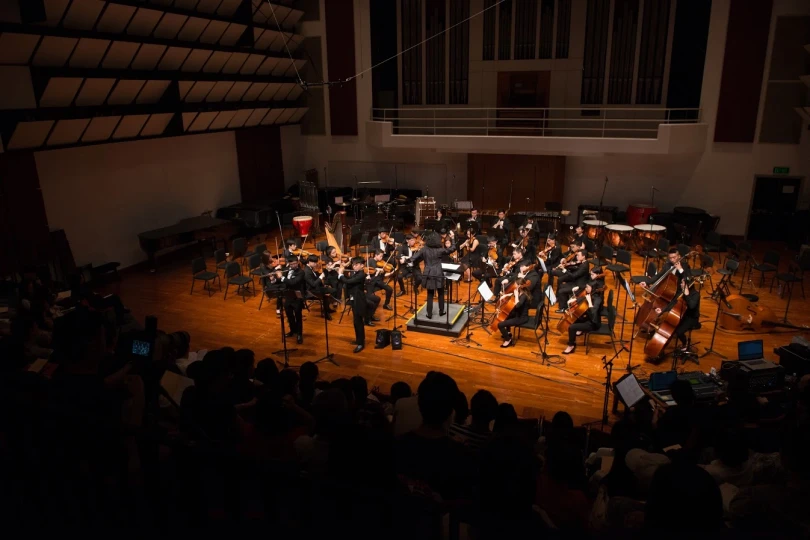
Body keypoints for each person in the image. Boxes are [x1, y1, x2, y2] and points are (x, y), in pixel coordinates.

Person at [411, 232, 454, 318]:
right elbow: (452, 249)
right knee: (441, 293)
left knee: (430, 294)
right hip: (438, 272)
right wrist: (453, 238)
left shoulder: (424, 249)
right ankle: (441, 311)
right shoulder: (440, 250)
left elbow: (414, 257)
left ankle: (429, 314)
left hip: (428, 273)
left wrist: (405, 260)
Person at [562, 270, 605, 354]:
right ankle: (574, 336)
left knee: (572, 327)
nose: (586, 289)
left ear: (592, 288)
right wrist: (574, 299)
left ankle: (571, 346)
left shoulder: (597, 299)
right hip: (587, 317)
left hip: (593, 323)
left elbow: (593, 314)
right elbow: (583, 298)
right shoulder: (591, 294)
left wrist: (589, 303)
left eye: (587, 287)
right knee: (573, 319)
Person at [654, 276, 700, 353]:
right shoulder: (681, 292)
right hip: (682, 315)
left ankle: (685, 343)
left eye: (682, 283)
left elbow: (692, 306)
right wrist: (662, 310)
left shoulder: (696, 295)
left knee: (679, 332)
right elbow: (673, 303)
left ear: (687, 286)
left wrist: (687, 295)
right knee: (672, 327)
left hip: (692, 318)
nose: (680, 284)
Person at [271, 255, 305, 344]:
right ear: (289, 264)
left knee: (298, 317)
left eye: (295, 264)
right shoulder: (287, 269)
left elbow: (293, 282)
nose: (294, 266)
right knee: (289, 316)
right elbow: (280, 281)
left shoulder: (301, 272)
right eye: (292, 264)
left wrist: (281, 277)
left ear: (297, 262)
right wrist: (274, 279)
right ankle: (292, 330)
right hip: (288, 296)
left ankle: (299, 334)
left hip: (297, 298)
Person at [339, 257, 368, 353]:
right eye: (353, 265)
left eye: (356, 265)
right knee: (356, 322)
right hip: (354, 299)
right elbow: (349, 280)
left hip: (359, 300)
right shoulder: (355, 273)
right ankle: (358, 340)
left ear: (362, 265)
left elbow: (348, 281)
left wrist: (340, 274)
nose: (354, 266)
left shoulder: (361, 275)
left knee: (359, 322)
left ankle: (361, 343)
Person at [496, 280, 531, 348]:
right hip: (518, 314)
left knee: (500, 325)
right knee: (506, 316)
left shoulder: (523, 296)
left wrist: (516, 295)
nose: (515, 286)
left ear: (521, 286)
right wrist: (505, 295)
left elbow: (517, 305)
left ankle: (508, 340)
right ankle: (508, 333)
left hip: (521, 318)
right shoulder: (521, 292)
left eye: (516, 285)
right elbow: (512, 296)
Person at [304, 254, 337, 321]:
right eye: (314, 262)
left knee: (333, 290)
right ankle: (326, 312)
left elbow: (317, 277)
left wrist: (327, 270)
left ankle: (327, 309)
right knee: (328, 293)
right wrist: (321, 277)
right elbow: (313, 284)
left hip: (316, 288)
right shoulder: (306, 271)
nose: (315, 264)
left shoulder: (311, 269)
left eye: (316, 262)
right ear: (309, 261)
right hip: (311, 291)